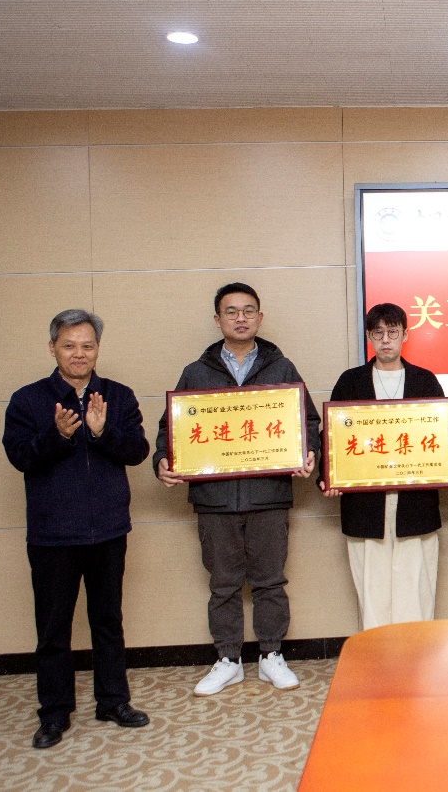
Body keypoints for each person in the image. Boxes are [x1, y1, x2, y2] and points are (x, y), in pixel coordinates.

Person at [154, 283, 319, 696]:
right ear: (218, 320)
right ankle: (228, 659)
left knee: (270, 581)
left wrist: (310, 452)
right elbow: (171, 427)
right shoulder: (196, 372)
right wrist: (163, 459)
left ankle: (270, 655)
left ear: (260, 318)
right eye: (231, 311)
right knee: (223, 583)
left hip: (268, 494)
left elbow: (308, 422)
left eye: (248, 311)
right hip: (215, 498)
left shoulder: (282, 368)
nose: (240, 318)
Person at [3, 309, 151, 749]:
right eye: (69, 345)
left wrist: (103, 433)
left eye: (87, 345)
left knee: (108, 621)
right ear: (53, 348)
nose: (79, 353)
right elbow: (20, 457)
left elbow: (138, 451)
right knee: (53, 629)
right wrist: (58, 436)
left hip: (108, 529)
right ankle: (53, 714)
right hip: (52, 535)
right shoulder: (27, 400)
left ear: (97, 349)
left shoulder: (118, 396)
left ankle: (113, 702)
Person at [320, 303, 448, 630]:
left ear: (405, 336)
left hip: (415, 503)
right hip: (365, 504)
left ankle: (416, 653)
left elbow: (437, 439)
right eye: (378, 333)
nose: (386, 340)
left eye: (392, 332)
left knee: (415, 585)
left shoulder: (424, 380)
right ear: (369, 337)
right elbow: (331, 435)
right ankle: (377, 654)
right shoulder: (351, 381)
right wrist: (328, 478)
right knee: (371, 588)